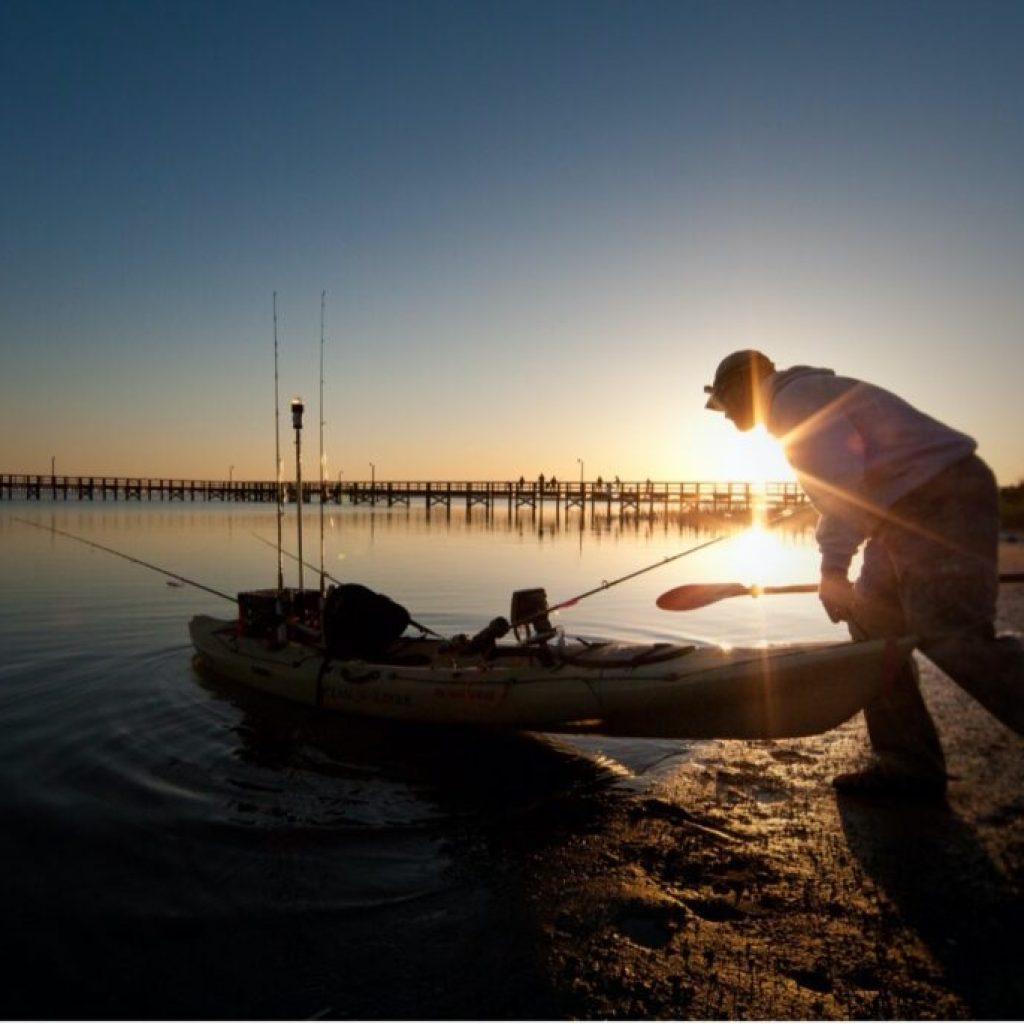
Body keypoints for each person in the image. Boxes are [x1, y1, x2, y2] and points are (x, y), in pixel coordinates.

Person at [703, 349, 1024, 799]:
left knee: (954, 637)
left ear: (741, 385)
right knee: (872, 622)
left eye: (722, 402)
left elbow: (844, 489)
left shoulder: (793, 404)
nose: (724, 415)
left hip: (939, 498)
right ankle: (908, 763)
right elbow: (849, 486)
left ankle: (910, 761)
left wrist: (832, 569)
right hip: (900, 513)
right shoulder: (796, 402)